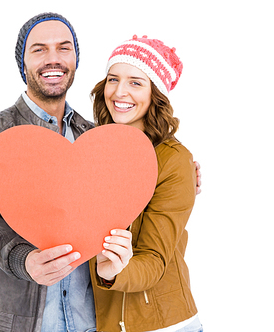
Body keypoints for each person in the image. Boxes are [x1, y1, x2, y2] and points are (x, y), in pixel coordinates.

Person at [0, 12, 201, 332]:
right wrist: (24, 260)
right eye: (39, 49)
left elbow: (129, 191)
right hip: (16, 322)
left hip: (90, 320)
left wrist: (181, 171)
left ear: (75, 59)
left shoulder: (95, 138)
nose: (53, 59)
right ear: (23, 62)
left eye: (64, 48)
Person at [89, 36, 203, 332]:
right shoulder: (93, 151)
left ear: (156, 94)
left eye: (136, 82)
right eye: (113, 79)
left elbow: (154, 260)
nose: (120, 91)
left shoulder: (174, 161)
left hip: (163, 325)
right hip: (102, 323)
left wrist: (114, 272)